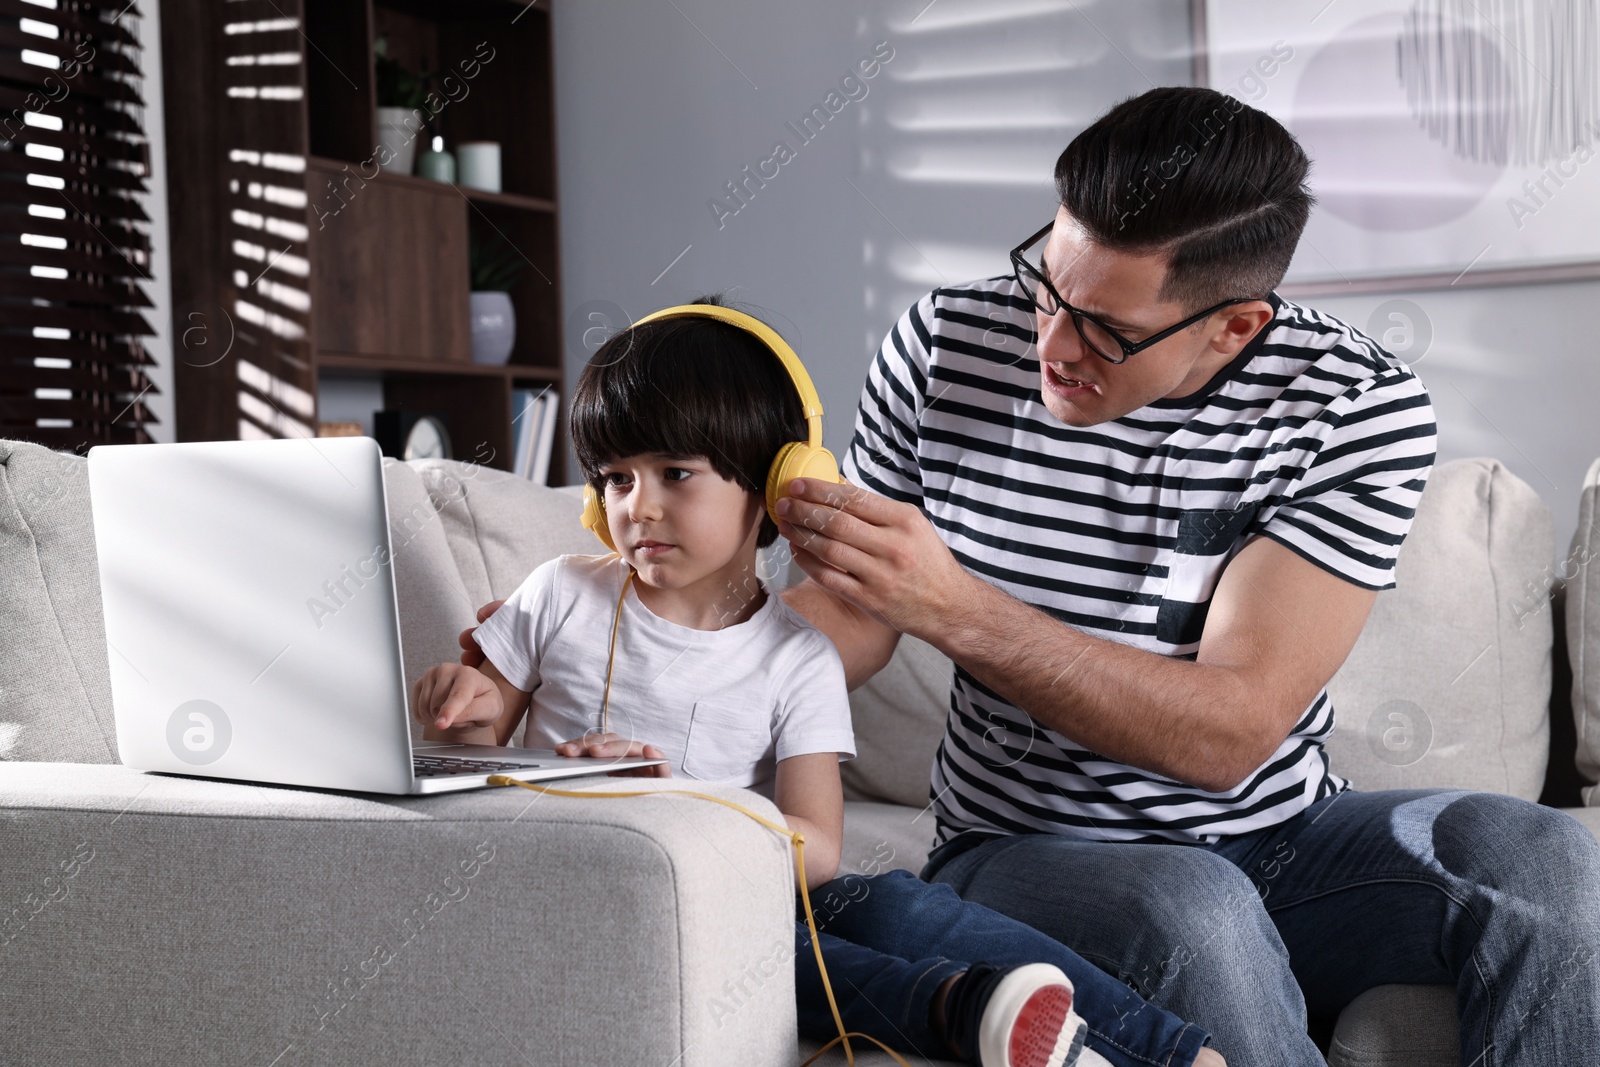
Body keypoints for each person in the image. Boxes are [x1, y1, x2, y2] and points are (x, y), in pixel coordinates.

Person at [768, 85, 1600, 1066]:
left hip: (1282, 839)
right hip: (1017, 846)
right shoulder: (944, 345)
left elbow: (1225, 734)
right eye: (1045, 285)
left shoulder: (1351, 409)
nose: (1049, 346)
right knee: (1192, 908)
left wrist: (960, 609)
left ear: (1234, 327)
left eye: (1106, 331)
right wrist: (685, 644)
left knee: (1538, 857)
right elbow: (857, 618)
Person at [423, 300, 1224, 1067]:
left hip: (729, 885)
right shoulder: (561, 593)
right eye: (616, 479)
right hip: (583, 886)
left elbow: (819, 845)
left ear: (775, 486)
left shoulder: (798, 657)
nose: (640, 507)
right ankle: (959, 1006)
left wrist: (692, 807)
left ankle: (1165, 1050)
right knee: (770, 952)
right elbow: (472, 764)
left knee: (898, 906)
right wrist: (464, 710)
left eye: (674, 473)